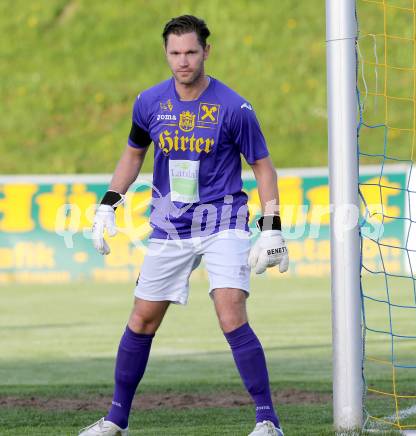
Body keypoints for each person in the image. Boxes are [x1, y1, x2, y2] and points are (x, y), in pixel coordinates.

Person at [80, 15, 289, 436]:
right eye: (175, 52)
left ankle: (268, 421)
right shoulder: (149, 103)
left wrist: (271, 226)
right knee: (142, 320)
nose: (183, 61)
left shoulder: (234, 107)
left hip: (224, 221)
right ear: (166, 53)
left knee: (230, 314)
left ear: (206, 51)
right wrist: (108, 204)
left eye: (191, 51)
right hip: (170, 227)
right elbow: (134, 154)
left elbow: (263, 167)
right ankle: (115, 420)